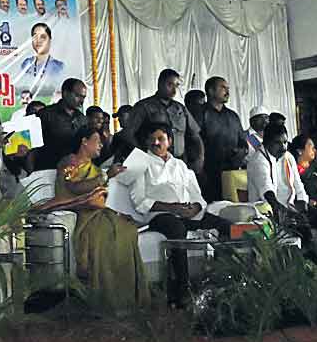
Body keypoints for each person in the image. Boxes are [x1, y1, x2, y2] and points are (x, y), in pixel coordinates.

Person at [129, 122, 233, 306]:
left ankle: (221, 282)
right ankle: (182, 289)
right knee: (177, 229)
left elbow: (197, 196)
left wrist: (195, 208)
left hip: (188, 213)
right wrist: (171, 208)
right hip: (159, 215)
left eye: (160, 139)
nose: (156, 143)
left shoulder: (180, 165)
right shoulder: (139, 163)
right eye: (151, 139)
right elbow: (139, 201)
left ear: (169, 141)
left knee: (226, 226)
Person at [52, 127, 149, 311]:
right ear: (84, 141)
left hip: (98, 213)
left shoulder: (94, 168)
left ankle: (126, 299)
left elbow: (100, 198)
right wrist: (105, 176)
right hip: (81, 214)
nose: (101, 145)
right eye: (97, 141)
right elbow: (74, 187)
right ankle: (106, 299)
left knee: (127, 229)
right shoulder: (69, 162)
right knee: (106, 235)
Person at [121, 68, 204, 172]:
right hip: (153, 164)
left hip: (179, 162)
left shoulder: (180, 108)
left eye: (176, 86)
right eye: (170, 85)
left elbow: (195, 135)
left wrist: (200, 158)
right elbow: (127, 134)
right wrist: (143, 155)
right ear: (160, 83)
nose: (174, 90)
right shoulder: (144, 107)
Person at [247, 123, 316, 234]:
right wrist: (286, 212)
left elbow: (298, 184)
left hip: (290, 207)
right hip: (266, 211)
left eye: (285, 142)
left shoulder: (288, 157)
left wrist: (303, 201)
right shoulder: (258, 160)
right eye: (278, 143)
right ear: (267, 143)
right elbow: (267, 189)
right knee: (304, 230)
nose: (283, 147)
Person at [198, 77, 249, 202]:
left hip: (231, 172)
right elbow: (194, 142)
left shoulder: (233, 116)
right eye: (223, 88)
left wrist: (240, 152)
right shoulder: (199, 113)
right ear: (211, 91)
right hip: (208, 173)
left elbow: (243, 142)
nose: (227, 92)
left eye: (228, 88)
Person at [35, 79, 88, 172]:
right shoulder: (45, 115)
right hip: (48, 170)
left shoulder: (82, 119)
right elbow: (33, 148)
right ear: (65, 93)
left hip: (74, 172)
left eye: (83, 97)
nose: (81, 101)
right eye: (78, 96)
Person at [19, 23, 66, 96]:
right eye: (35, 37)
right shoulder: (26, 63)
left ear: (50, 40)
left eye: (43, 37)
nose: (38, 40)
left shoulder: (59, 66)